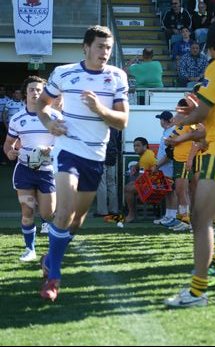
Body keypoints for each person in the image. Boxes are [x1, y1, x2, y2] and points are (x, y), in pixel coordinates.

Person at [36, 25, 129, 301]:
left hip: (96, 156)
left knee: (76, 221)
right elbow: (42, 103)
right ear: (86, 47)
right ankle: (53, 279)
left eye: (108, 48)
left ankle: (49, 257)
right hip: (68, 150)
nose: (105, 53)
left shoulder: (117, 76)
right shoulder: (64, 73)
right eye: (100, 46)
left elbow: (123, 122)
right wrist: (49, 122)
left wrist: (99, 109)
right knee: (63, 213)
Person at [165, 21, 215, 307]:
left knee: (202, 219)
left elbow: (203, 111)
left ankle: (197, 291)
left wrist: (183, 118)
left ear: (209, 44)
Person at [3, 76, 61, 262]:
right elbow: (8, 145)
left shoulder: (55, 117)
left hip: (47, 171)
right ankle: (30, 250)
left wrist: (49, 150)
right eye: (31, 90)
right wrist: (10, 153)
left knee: (47, 213)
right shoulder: (17, 119)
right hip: (25, 171)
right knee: (27, 212)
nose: (35, 93)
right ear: (25, 94)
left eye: (39, 90)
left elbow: (64, 145)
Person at [152, 111, 178, 227]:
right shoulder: (166, 131)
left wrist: (157, 165)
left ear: (164, 120)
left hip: (169, 167)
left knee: (172, 192)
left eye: (161, 119)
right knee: (167, 192)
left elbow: (169, 154)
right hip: (164, 167)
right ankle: (168, 215)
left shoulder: (171, 132)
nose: (160, 122)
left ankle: (173, 216)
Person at [124, 137, 156, 223]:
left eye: (138, 145)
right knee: (129, 185)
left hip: (153, 185)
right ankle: (131, 213)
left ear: (145, 146)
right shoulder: (147, 153)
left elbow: (141, 178)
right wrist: (135, 166)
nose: (135, 148)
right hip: (152, 182)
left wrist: (132, 184)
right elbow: (141, 165)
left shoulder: (145, 158)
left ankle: (131, 214)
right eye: (134, 146)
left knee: (128, 189)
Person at [95, 127, 120, 216]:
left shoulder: (99, 125)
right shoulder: (115, 127)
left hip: (101, 155)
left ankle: (102, 211)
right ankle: (114, 210)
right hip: (112, 156)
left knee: (101, 184)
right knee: (112, 184)